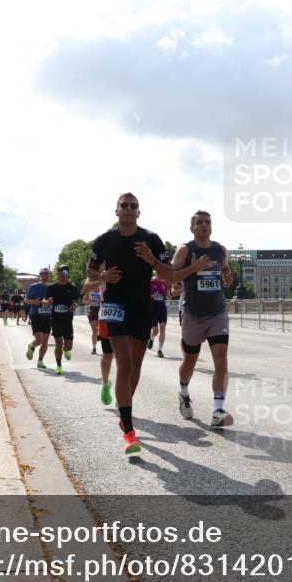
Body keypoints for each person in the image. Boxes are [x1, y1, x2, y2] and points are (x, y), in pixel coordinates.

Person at [87, 192, 173, 455]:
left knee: (136, 365)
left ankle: (126, 410)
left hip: (141, 307)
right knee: (123, 363)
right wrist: (102, 275)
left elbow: (168, 274)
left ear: (139, 212)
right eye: (123, 205)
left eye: (133, 206)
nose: (128, 209)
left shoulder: (151, 239)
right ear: (116, 211)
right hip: (114, 306)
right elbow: (90, 271)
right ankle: (128, 430)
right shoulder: (104, 240)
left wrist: (153, 261)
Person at [172, 210, 235, 428]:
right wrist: (193, 268)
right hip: (193, 315)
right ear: (192, 228)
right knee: (190, 360)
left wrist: (227, 279)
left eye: (207, 222)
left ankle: (218, 410)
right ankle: (183, 392)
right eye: (199, 222)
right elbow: (170, 276)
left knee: (221, 362)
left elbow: (227, 273)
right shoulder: (185, 250)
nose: (204, 225)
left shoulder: (220, 250)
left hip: (218, 313)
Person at [82, 276, 113, 403]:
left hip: (128, 311)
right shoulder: (100, 268)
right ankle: (105, 384)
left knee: (126, 358)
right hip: (104, 310)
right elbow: (86, 287)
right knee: (108, 355)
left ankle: (125, 399)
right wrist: (101, 278)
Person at [45, 265, 79, 375]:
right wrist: (47, 302)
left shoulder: (73, 288)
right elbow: (47, 301)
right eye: (61, 274)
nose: (64, 276)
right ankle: (59, 365)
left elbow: (76, 301)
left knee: (69, 346)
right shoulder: (51, 288)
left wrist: (74, 305)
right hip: (56, 319)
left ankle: (66, 350)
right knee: (58, 344)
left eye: (66, 274)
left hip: (68, 320)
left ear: (68, 275)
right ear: (58, 274)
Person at [24, 268, 54, 369]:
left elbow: (54, 299)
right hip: (36, 315)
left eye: (47, 274)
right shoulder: (34, 287)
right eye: (44, 273)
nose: (46, 275)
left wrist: (51, 301)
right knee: (39, 340)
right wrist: (33, 302)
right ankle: (32, 346)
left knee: (45, 341)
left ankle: (40, 361)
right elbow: (25, 300)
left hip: (47, 316)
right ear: (40, 275)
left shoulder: (52, 287)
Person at [149, 273, 170, 357]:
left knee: (163, 328)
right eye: (159, 273)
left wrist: (168, 296)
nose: (160, 275)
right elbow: (145, 294)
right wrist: (152, 296)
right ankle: (151, 338)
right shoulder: (151, 281)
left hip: (162, 308)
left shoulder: (165, 283)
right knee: (155, 331)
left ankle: (160, 350)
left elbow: (168, 295)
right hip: (153, 308)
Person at [85, 277, 105, 355]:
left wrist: (102, 300)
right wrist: (88, 301)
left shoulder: (101, 290)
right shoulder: (89, 291)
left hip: (100, 310)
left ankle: (104, 346)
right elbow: (84, 301)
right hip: (92, 310)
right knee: (94, 330)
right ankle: (94, 348)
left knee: (101, 330)